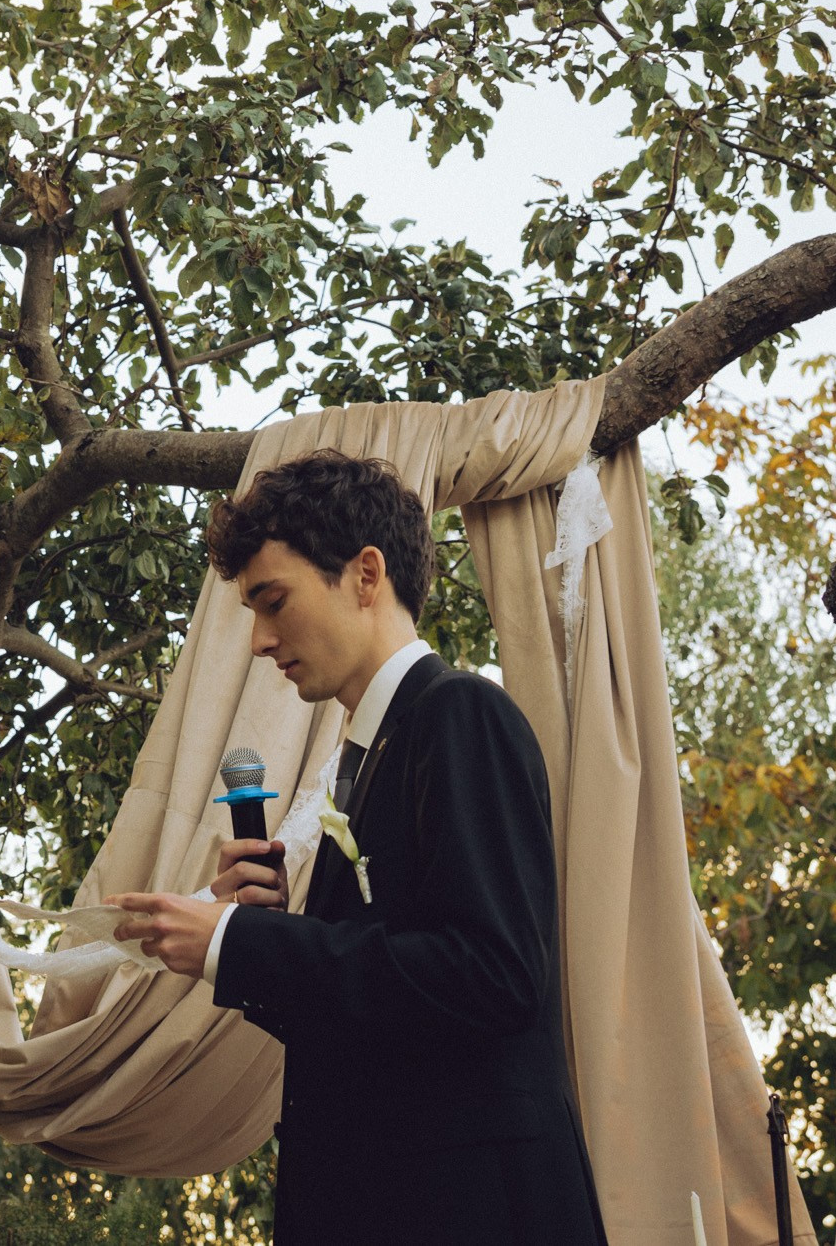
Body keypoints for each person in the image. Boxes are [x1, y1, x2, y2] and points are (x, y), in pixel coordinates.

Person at [106, 451, 606, 1245]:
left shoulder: (460, 715)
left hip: (470, 1208)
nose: (261, 640)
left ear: (365, 574)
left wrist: (242, 942)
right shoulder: (364, 757)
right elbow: (385, 1016)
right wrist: (260, 930)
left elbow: (495, 976)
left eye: (274, 601)